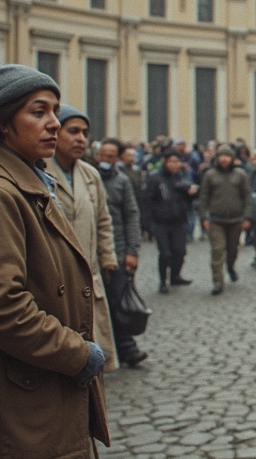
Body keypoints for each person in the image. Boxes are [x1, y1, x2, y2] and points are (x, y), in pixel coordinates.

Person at [0, 64, 109, 455]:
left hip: (41, 384)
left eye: (54, 111)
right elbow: (0, 305)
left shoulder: (29, 182)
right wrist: (77, 353)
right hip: (27, 395)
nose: (54, 122)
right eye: (39, 112)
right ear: (4, 124)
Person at [46, 104, 120, 372]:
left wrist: (108, 256)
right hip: (55, 281)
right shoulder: (39, 171)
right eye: (73, 131)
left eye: (85, 133)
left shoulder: (90, 175)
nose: (81, 138)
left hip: (90, 275)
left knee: (94, 356)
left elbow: (103, 220)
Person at [96, 137, 148, 367]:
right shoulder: (89, 178)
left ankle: (127, 348)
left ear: (117, 158)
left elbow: (132, 215)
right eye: (103, 155)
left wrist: (132, 250)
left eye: (110, 156)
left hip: (118, 250)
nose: (106, 159)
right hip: (92, 251)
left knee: (119, 300)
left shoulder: (123, 182)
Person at [198, 143, 254, 295]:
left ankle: (230, 267)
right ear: (217, 158)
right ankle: (217, 281)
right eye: (221, 156)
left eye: (227, 156)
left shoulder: (240, 174)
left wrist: (247, 216)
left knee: (232, 250)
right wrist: (203, 217)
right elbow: (203, 198)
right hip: (216, 220)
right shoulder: (210, 175)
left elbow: (247, 197)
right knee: (217, 249)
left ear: (232, 158)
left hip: (236, 220)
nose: (224, 159)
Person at [142, 148, 199, 294]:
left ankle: (175, 276)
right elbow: (147, 200)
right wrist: (147, 224)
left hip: (178, 221)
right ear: (165, 162)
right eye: (172, 161)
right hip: (160, 222)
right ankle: (163, 281)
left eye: (177, 161)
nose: (175, 164)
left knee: (180, 251)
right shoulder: (155, 179)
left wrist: (191, 194)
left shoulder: (180, 178)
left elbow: (187, 201)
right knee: (165, 253)